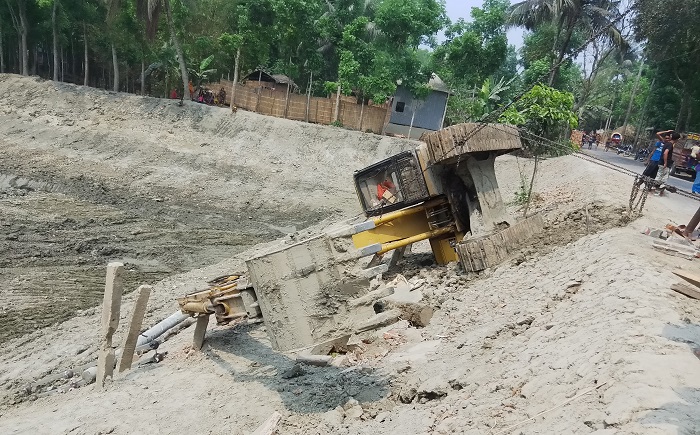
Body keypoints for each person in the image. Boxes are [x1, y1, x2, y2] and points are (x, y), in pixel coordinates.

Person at [655, 131, 681, 196]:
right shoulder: (670, 145)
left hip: (661, 162)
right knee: (663, 178)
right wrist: (666, 163)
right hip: (664, 164)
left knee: (659, 176)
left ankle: (656, 190)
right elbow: (665, 153)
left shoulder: (666, 143)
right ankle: (658, 192)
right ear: (677, 139)